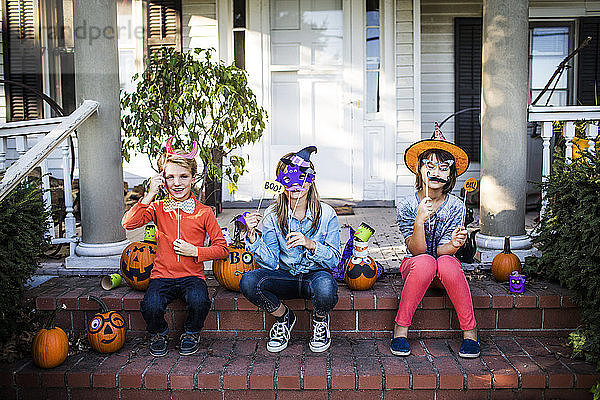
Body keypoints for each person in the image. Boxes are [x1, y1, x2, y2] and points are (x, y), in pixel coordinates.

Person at [122, 139, 228, 357]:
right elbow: (128, 223)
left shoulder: (204, 212)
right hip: (162, 276)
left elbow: (222, 249)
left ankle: (191, 332)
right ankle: (158, 332)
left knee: (200, 301)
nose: (177, 182)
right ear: (163, 179)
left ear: (193, 178)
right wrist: (150, 194)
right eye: (170, 177)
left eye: (183, 176)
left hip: (192, 276)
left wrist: (195, 251)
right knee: (150, 305)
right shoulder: (158, 208)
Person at [240, 146, 341, 353]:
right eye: (288, 178)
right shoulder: (272, 214)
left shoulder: (327, 214)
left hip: (315, 276)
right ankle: (284, 317)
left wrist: (311, 244)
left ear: (310, 179)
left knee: (326, 289)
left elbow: (334, 261)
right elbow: (270, 262)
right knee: (249, 281)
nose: (295, 184)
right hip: (285, 276)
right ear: (280, 181)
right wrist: (252, 237)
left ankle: (320, 320)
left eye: (301, 177)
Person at [391, 123, 480, 358]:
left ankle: (471, 333)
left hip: (443, 271)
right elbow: (417, 250)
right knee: (425, 263)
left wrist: (454, 244)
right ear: (419, 170)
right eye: (430, 166)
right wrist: (419, 220)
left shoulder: (456, 206)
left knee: (447, 263)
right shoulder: (408, 205)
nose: (436, 172)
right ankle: (400, 330)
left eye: (443, 167)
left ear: (450, 174)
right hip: (415, 268)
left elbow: (443, 253)